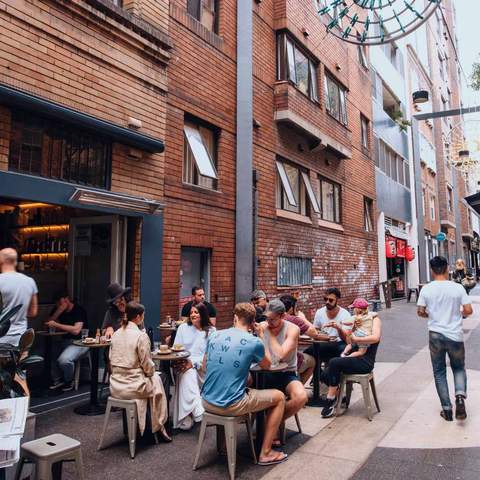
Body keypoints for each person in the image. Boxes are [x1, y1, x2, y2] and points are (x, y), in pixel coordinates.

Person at [202, 303, 287, 466]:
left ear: (235, 317)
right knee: (280, 397)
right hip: (231, 405)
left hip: (206, 401)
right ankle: (266, 452)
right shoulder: (253, 341)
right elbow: (268, 365)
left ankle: (223, 447)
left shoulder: (214, 335)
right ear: (253, 321)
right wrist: (261, 335)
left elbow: (206, 366)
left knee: (238, 383)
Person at [417, 256, 473, 421]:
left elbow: (420, 311)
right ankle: (460, 397)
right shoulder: (457, 288)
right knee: (458, 368)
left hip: (435, 335)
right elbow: (469, 310)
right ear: (448, 268)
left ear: (432, 270)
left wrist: (431, 315)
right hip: (455, 335)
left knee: (439, 371)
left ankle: (447, 410)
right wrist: (459, 314)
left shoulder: (426, 289)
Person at [109, 301, 171, 441]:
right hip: (135, 387)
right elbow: (148, 367)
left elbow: (111, 359)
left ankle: (139, 427)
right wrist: (151, 373)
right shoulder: (141, 336)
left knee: (155, 379)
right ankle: (159, 426)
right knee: (163, 378)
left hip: (115, 386)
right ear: (138, 317)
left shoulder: (116, 334)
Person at [320, 310, 382, 418]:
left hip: (365, 362)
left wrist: (357, 339)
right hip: (353, 357)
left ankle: (330, 400)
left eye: (358, 309)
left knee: (334, 362)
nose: (356, 312)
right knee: (325, 374)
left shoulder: (374, 320)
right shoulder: (356, 321)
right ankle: (338, 396)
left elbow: (376, 338)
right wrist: (349, 331)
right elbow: (349, 341)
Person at [257, 299, 308, 422]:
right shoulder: (262, 326)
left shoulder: (292, 329)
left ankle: (272, 422)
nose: (269, 322)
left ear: (283, 316)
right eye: (267, 318)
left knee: (301, 396)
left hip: (286, 373)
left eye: (273, 319)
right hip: (262, 374)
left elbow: (281, 354)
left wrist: (268, 333)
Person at [172, 303, 215, 430]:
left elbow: (211, 356)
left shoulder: (212, 331)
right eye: (191, 313)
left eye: (196, 312)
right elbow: (176, 348)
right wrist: (183, 362)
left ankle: (187, 415)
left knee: (189, 371)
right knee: (187, 372)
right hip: (185, 364)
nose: (193, 315)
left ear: (203, 314)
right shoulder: (183, 328)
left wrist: (194, 364)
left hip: (204, 368)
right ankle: (197, 410)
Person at [46, 293, 89, 391]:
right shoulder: (58, 310)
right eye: (57, 303)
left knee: (64, 360)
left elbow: (76, 330)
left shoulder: (78, 310)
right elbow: (46, 325)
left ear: (67, 299)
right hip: (64, 341)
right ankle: (58, 380)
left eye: (61, 302)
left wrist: (57, 325)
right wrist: (58, 311)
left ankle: (68, 380)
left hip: (80, 342)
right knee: (49, 352)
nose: (59, 305)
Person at [279, 294, 321, 385]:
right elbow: (314, 333)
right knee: (313, 361)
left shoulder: (272, 318)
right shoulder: (294, 319)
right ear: (291, 308)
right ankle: (298, 387)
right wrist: (303, 318)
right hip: (288, 361)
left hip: (273, 358)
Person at [304, 288, 350, 370]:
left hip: (339, 343)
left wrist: (338, 328)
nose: (327, 302)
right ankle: (318, 376)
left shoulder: (345, 314)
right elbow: (316, 330)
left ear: (337, 300)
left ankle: (331, 377)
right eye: (325, 299)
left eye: (330, 300)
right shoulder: (320, 312)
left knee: (343, 351)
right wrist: (320, 334)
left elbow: (346, 338)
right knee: (309, 351)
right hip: (323, 342)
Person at [0, 248, 38, 346]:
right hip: (20, 338)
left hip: (1, 337)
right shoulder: (30, 281)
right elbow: (33, 312)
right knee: (18, 361)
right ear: (15, 262)